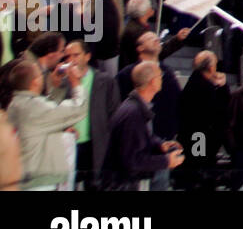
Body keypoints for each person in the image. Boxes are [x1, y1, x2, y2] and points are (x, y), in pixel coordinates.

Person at [6, 55, 86, 189]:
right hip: (38, 183)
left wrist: (55, 85)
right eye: (40, 74)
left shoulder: (16, 103)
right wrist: (76, 83)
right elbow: (78, 109)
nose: (43, 76)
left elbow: (48, 111)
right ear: (35, 82)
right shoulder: (33, 108)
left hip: (27, 179)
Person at [101, 62, 185, 191]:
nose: (162, 78)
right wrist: (166, 161)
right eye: (159, 75)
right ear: (152, 82)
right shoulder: (133, 113)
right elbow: (132, 161)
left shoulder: (135, 107)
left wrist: (160, 144)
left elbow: (140, 140)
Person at [55, 38, 120, 191]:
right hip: (69, 144)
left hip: (95, 145)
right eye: (67, 56)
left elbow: (114, 114)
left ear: (87, 56)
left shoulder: (106, 81)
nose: (71, 60)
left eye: (76, 55)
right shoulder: (62, 82)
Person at [178, 51, 229, 189]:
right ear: (211, 67)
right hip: (199, 140)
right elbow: (219, 112)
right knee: (198, 177)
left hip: (198, 139)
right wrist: (223, 89)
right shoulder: (202, 87)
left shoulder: (197, 83)